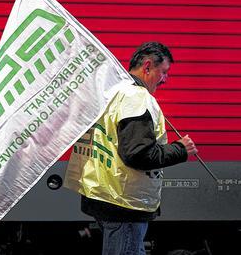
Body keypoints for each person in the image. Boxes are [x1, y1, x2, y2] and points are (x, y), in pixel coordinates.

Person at [64, 42, 198, 255]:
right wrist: (181, 149)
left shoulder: (111, 92)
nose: (165, 79)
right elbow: (139, 155)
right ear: (147, 67)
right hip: (124, 202)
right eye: (163, 72)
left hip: (104, 194)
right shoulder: (136, 98)